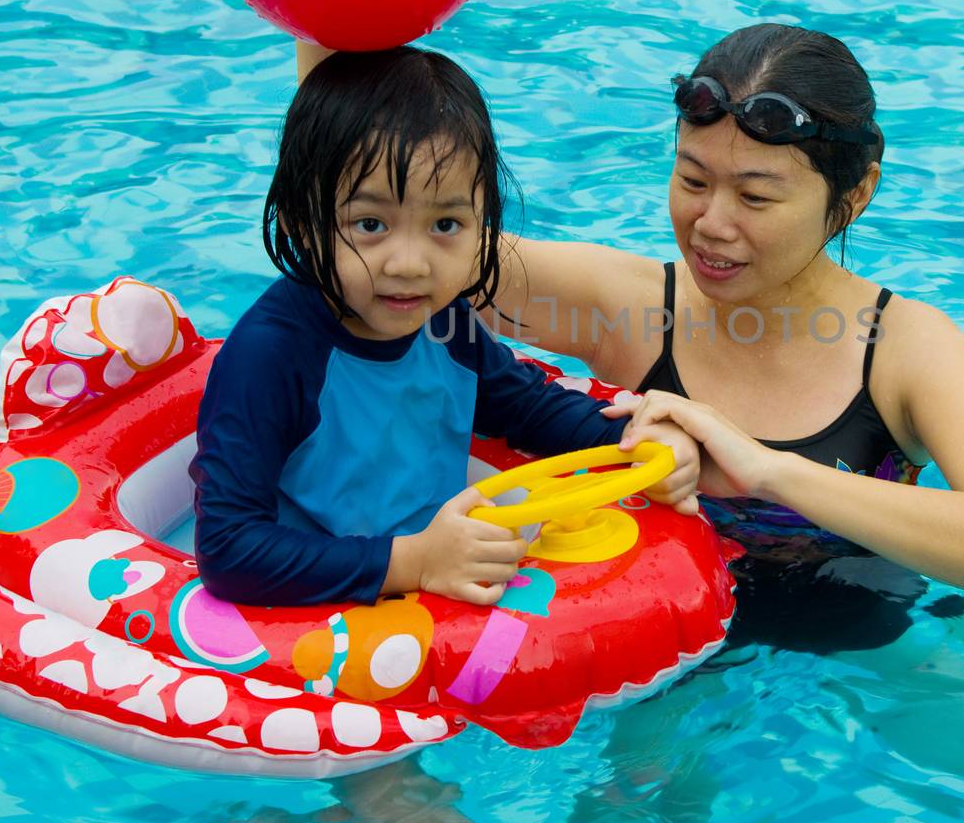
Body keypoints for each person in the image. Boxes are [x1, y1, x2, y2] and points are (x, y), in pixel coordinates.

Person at [488, 24, 964, 651]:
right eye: (692, 181)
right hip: (658, 645)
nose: (711, 223)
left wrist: (768, 471)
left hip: (868, 639)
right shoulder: (627, 308)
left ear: (854, 196)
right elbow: (415, 247)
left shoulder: (904, 349)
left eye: (756, 197)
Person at [191, 47, 698, 608]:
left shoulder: (447, 323)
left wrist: (635, 444)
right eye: (370, 223)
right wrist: (414, 561)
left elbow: (527, 410)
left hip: (437, 576)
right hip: (316, 607)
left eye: (446, 224)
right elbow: (229, 549)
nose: (409, 263)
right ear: (302, 226)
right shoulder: (270, 356)